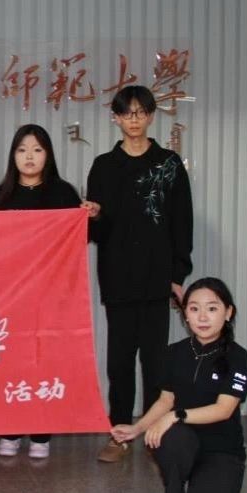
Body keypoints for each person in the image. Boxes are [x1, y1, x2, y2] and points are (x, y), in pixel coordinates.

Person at [87, 85, 193, 462]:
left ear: (150, 115)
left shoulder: (168, 164)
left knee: (155, 364)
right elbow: (97, 232)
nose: (134, 119)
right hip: (117, 278)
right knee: (119, 364)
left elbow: (182, 223)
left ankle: (152, 434)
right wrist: (93, 217)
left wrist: (178, 274)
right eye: (126, 113)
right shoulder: (103, 166)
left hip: (156, 278)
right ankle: (118, 435)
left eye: (140, 112)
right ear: (115, 118)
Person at [0, 123, 98, 458]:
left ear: (48, 154)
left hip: (52, 296)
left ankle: (41, 434)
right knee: (11, 363)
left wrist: (90, 217)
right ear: (13, 156)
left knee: (46, 363)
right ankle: (10, 430)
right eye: (22, 150)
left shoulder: (63, 194)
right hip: (9, 298)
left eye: (37, 149)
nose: (29, 157)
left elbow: (82, 239)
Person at [111, 278, 247, 493]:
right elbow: (166, 400)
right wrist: (136, 429)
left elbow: (223, 409)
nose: (202, 317)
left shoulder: (238, 357)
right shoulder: (174, 353)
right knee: (171, 435)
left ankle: (205, 479)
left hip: (222, 449)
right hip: (183, 440)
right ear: (185, 314)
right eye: (194, 308)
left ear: (228, 312)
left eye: (212, 308)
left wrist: (176, 415)